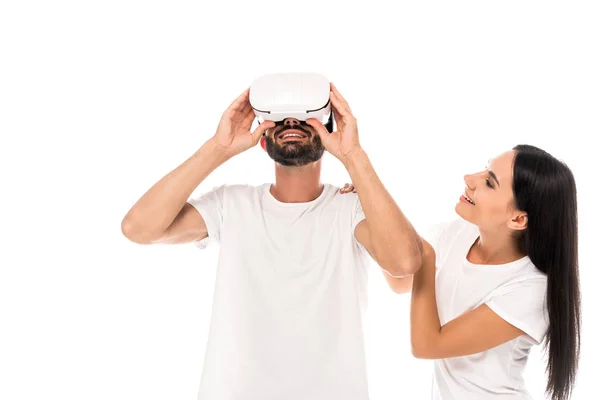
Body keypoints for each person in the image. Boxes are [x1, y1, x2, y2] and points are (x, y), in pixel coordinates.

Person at [120, 82, 423, 400]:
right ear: (262, 141)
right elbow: (138, 228)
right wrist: (217, 148)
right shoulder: (232, 205)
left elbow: (404, 263)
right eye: (279, 119)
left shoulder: (352, 209)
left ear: (329, 137)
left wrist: (354, 157)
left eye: (307, 117)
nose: (292, 122)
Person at [345, 145, 581, 399]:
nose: (470, 179)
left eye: (490, 183)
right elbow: (401, 279)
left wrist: (425, 257)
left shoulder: (531, 290)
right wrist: (371, 207)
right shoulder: (458, 234)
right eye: (485, 168)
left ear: (518, 220)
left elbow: (428, 344)